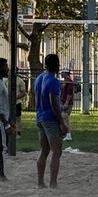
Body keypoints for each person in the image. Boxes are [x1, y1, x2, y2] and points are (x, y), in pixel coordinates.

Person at [33, 53, 69, 188]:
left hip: (40, 117)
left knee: (44, 151)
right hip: (50, 119)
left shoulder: (39, 78)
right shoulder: (53, 81)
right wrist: (62, 122)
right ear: (56, 65)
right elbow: (53, 103)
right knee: (56, 151)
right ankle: (53, 182)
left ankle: (40, 182)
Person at [59, 68, 75, 142]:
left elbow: (69, 94)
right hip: (62, 102)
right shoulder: (63, 82)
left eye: (62, 73)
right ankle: (68, 135)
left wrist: (66, 103)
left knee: (64, 119)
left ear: (66, 73)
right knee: (66, 120)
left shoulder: (69, 82)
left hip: (67, 103)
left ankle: (65, 134)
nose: (61, 74)